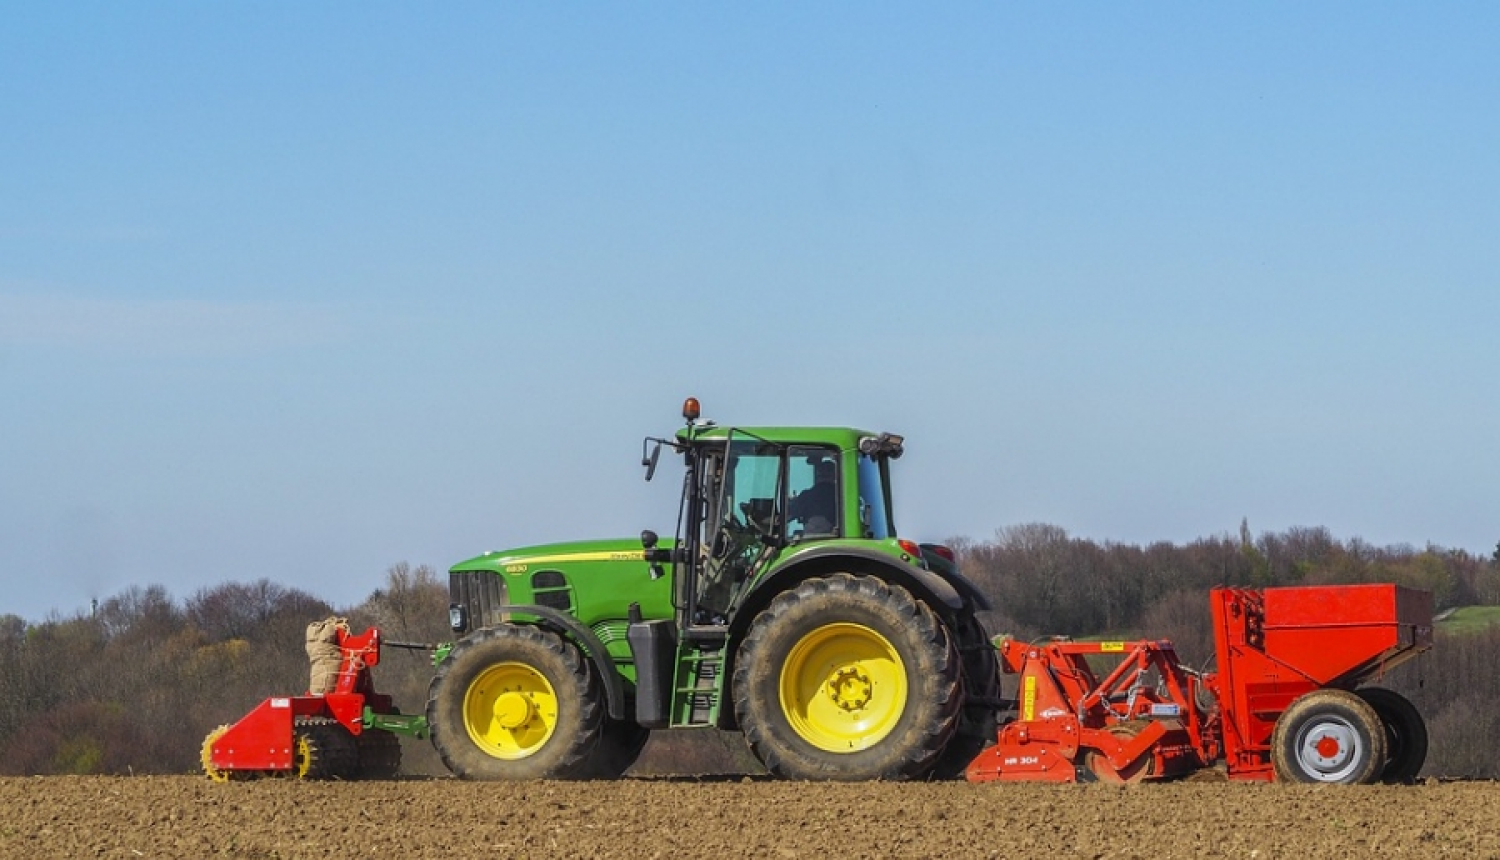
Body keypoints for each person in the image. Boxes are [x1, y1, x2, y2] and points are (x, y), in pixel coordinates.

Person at [789, 459, 837, 533]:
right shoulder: (841, 496)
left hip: (810, 537)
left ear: (818, 475)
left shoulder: (806, 495)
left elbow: (791, 513)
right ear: (835, 476)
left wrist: (792, 504)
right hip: (835, 536)